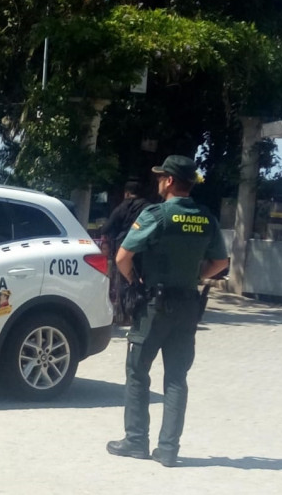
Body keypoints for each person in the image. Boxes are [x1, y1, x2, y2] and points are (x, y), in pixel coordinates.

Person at [106, 155, 229, 467]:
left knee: (137, 371)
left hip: (154, 305)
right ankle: (168, 449)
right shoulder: (206, 218)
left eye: (162, 177)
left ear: (171, 181)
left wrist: (136, 281)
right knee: (176, 378)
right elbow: (221, 263)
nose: (158, 181)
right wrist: (196, 275)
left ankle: (136, 441)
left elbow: (123, 257)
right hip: (188, 304)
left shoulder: (157, 215)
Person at [99, 181, 150, 322]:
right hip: (143, 249)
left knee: (122, 280)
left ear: (126, 193)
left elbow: (106, 229)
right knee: (142, 279)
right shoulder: (148, 208)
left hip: (123, 248)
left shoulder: (120, 208)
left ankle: (123, 314)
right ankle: (141, 310)